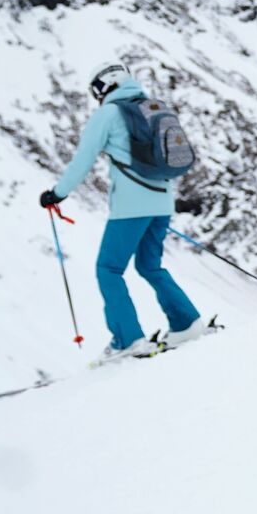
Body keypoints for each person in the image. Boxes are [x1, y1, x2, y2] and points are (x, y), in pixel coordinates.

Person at [39, 61, 209, 362]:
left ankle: (127, 339)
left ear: (104, 88)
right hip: (163, 202)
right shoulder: (154, 107)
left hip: (131, 206)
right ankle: (186, 324)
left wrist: (57, 194)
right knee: (150, 265)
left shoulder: (108, 114)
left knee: (109, 268)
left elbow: (83, 159)